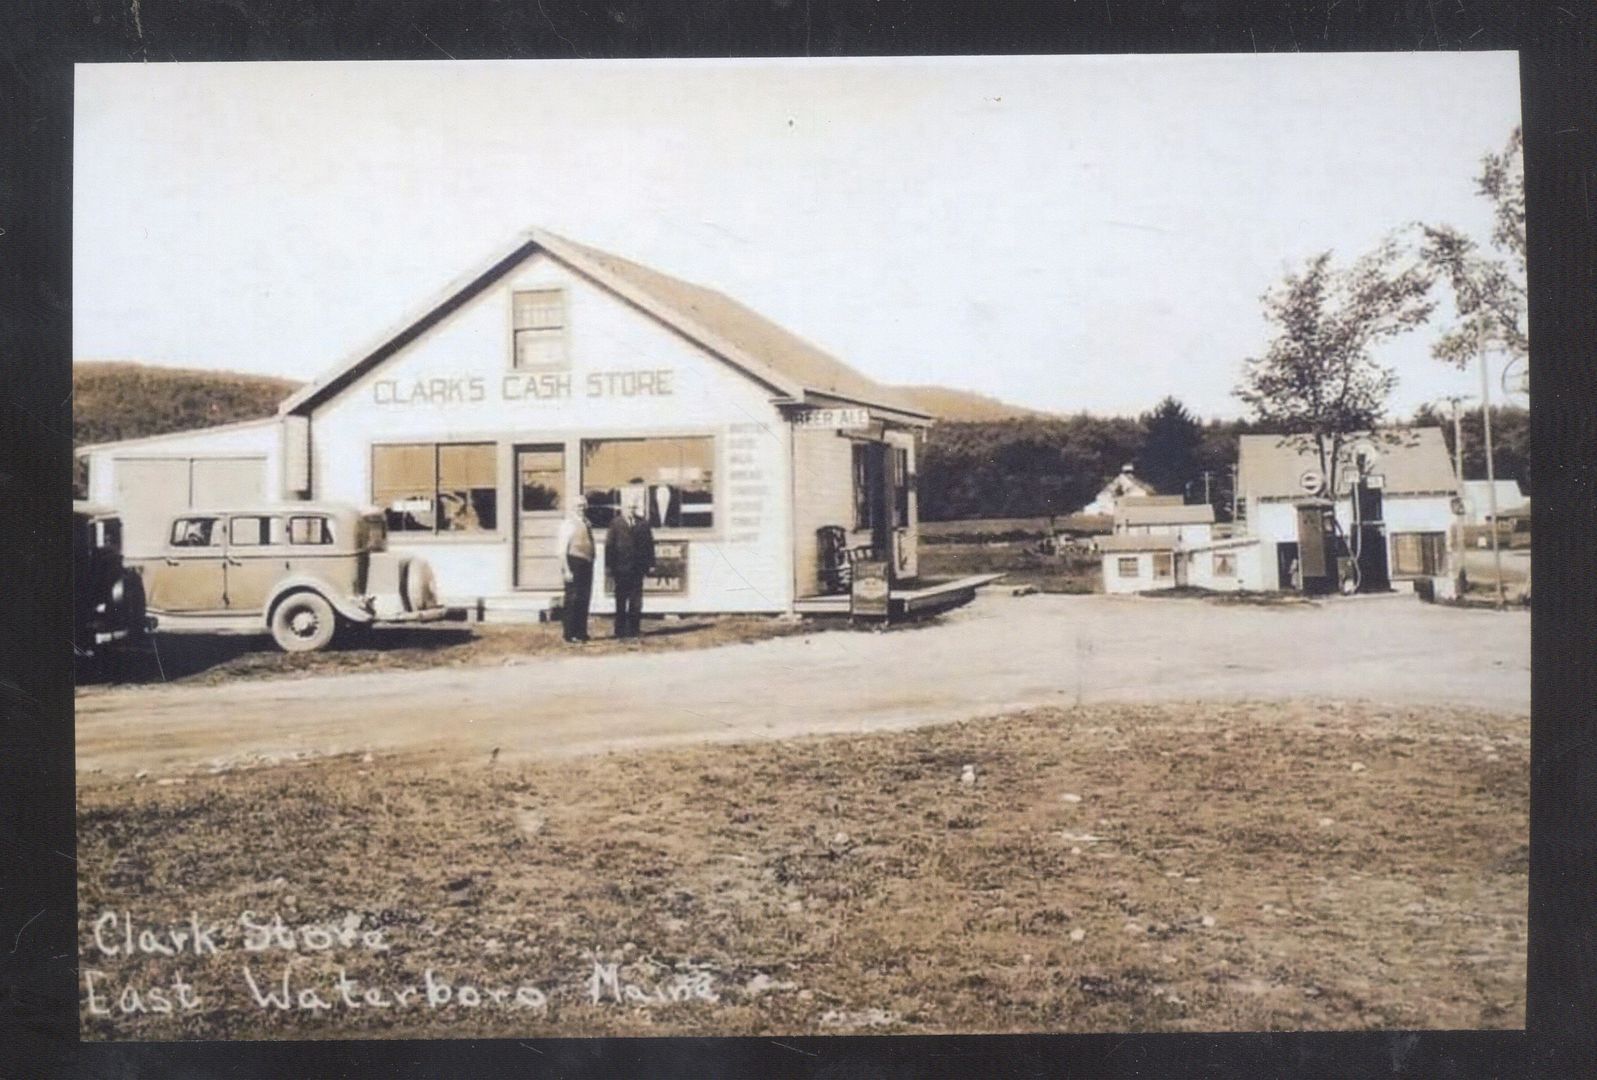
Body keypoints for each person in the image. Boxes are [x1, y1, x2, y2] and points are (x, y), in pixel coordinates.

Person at [605, 479, 656, 639]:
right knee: (621, 601)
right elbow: (609, 547)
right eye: (629, 507)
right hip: (620, 568)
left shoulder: (643, 524)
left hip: (637, 568)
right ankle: (619, 631)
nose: (631, 510)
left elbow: (649, 545)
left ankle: (634, 629)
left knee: (636, 601)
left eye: (634, 507)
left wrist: (651, 564)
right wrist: (609, 567)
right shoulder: (616, 523)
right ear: (623, 508)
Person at [555, 495, 595, 644]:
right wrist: (566, 570)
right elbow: (561, 550)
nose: (582, 509)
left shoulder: (587, 523)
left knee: (584, 598)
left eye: (584, 506)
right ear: (573, 508)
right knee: (572, 598)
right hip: (573, 562)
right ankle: (569, 633)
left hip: (586, 563)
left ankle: (581, 632)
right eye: (579, 506)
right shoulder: (568, 524)